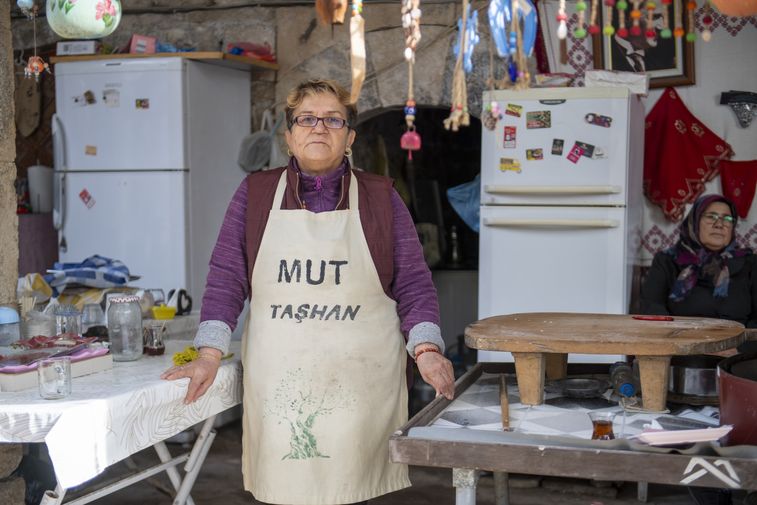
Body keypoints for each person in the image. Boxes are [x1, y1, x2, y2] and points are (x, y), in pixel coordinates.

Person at [162, 78, 455, 505]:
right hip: (282, 380)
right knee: (286, 488)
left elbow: (413, 282)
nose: (319, 128)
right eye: (306, 119)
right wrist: (208, 352)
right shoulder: (256, 194)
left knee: (349, 487)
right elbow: (227, 277)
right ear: (289, 134)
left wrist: (426, 348)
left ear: (350, 136)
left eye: (333, 119)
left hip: (359, 383)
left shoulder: (381, 197)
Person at [640, 194, 756, 505]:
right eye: (711, 217)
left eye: (728, 219)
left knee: (737, 440)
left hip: (736, 368)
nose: (721, 224)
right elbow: (651, 310)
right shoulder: (669, 261)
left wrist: (737, 350)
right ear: (694, 222)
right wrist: (697, 342)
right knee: (694, 444)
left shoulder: (749, 264)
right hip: (682, 367)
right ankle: (714, 496)